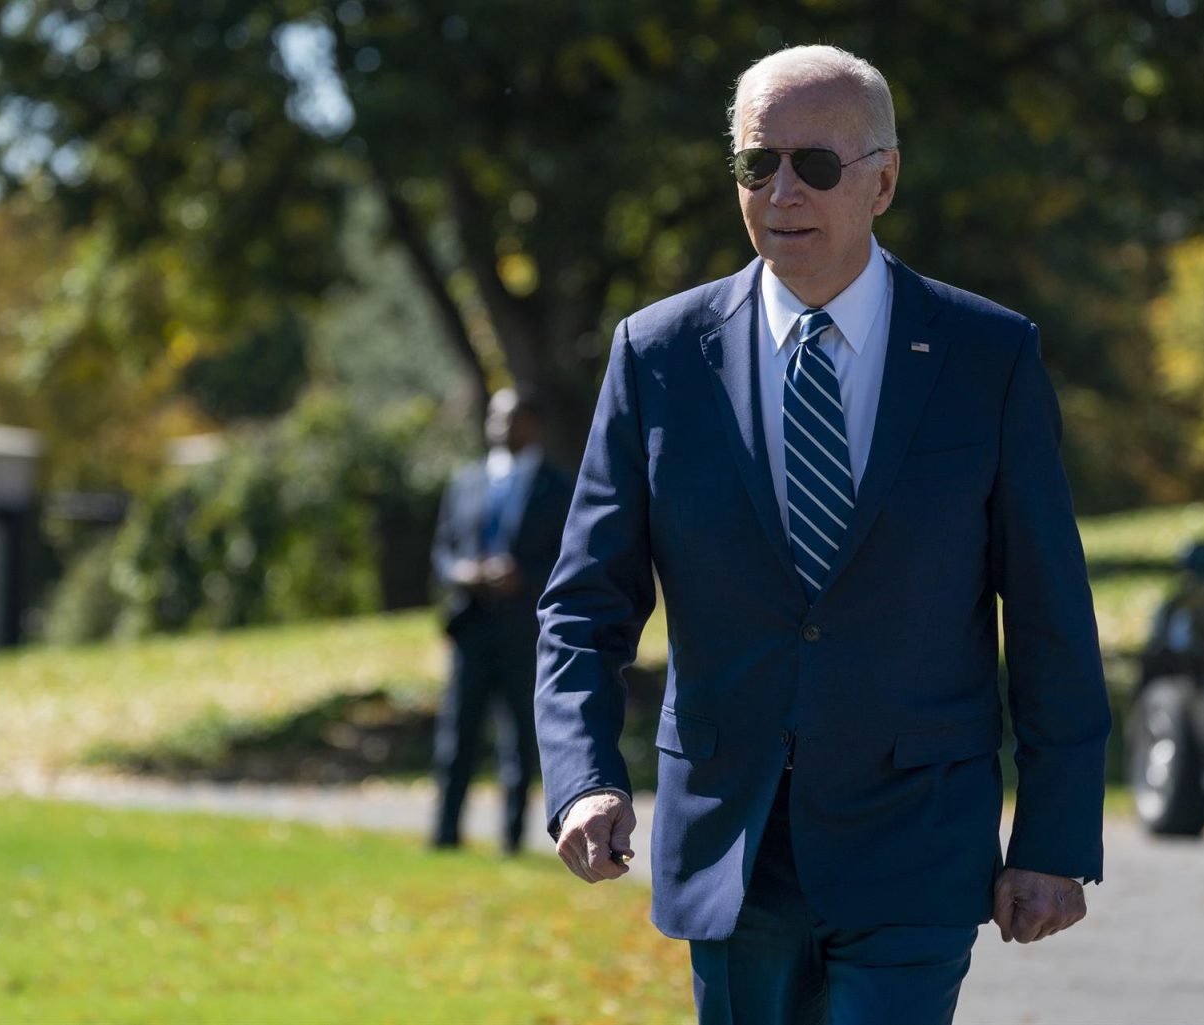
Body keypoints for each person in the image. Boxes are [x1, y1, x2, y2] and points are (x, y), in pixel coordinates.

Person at [534, 45, 1110, 1024]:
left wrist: (1054, 834)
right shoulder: (657, 354)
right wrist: (583, 777)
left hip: (917, 837)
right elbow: (585, 601)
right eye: (759, 165)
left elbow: (1050, 606)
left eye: (817, 165)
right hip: (730, 839)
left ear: (883, 179)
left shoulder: (988, 356)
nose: (783, 190)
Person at [430, 389, 573, 854]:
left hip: (525, 630)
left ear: (533, 425)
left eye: (510, 418)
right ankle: (445, 836)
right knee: (457, 736)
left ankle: (512, 840)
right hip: (472, 626)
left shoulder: (560, 487)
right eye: (493, 417)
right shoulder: (466, 481)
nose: (498, 427)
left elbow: (570, 557)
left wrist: (525, 578)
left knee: (519, 739)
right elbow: (443, 550)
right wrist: (462, 573)